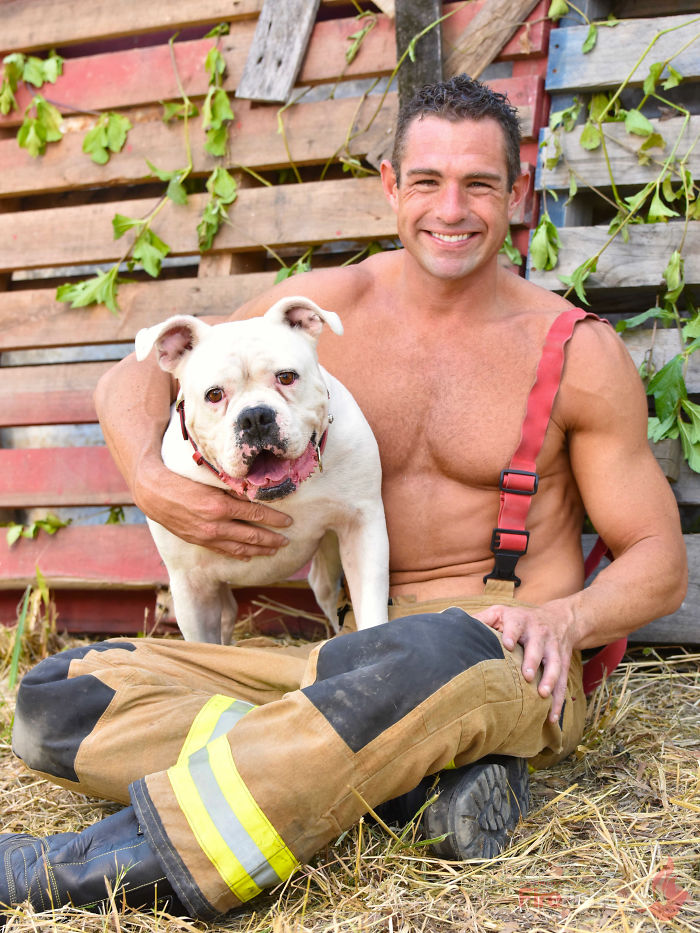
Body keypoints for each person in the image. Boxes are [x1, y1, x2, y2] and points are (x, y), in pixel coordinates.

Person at [0, 75, 686, 921]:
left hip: (493, 649)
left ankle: (88, 868)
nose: (451, 209)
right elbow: (130, 379)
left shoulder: (575, 351)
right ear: (391, 187)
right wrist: (152, 480)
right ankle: (406, 788)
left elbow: (660, 560)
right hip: (340, 662)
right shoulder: (323, 313)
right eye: (427, 180)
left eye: (479, 184)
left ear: (516, 193)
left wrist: (567, 620)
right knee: (57, 694)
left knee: (431, 648)